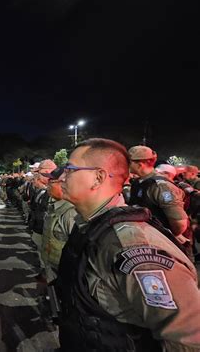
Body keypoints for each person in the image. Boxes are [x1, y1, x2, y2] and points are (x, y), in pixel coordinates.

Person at [56, 138, 200, 351]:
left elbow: (187, 336)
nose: (62, 176)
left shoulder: (131, 244)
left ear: (98, 177)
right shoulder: (89, 226)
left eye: (70, 169)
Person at [128, 146, 191, 253]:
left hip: (167, 245)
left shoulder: (161, 187)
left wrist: (165, 236)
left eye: (128, 161)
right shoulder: (138, 182)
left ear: (139, 164)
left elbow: (180, 224)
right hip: (149, 240)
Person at [39, 167, 76, 282]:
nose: (47, 185)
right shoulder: (55, 205)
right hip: (51, 265)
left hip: (63, 271)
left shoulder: (71, 213)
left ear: (64, 184)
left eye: (52, 182)